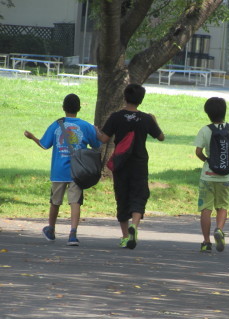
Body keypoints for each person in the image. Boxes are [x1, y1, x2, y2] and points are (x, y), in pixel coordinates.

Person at [24, 93, 101, 246]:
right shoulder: (85, 126)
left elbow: (45, 145)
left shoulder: (56, 125)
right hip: (78, 172)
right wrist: (97, 132)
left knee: (55, 201)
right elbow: (97, 145)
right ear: (79, 108)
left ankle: (51, 229)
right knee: (75, 202)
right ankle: (73, 234)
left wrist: (32, 137)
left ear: (63, 108)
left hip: (59, 171)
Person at [95, 83, 165, 249]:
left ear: (125, 97)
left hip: (121, 163)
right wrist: (155, 121)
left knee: (122, 196)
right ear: (141, 99)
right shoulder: (146, 118)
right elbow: (161, 137)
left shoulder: (116, 116)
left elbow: (104, 139)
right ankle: (135, 224)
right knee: (139, 195)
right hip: (139, 163)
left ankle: (126, 236)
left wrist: (97, 130)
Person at [194, 97, 229, 253]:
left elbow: (198, 152)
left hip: (208, 176)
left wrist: (207, 161)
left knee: (206, 209)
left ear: (207, 113)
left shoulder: (205, 130)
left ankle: (206, 242)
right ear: (224, 112)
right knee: (222, 206)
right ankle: (219, 229)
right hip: (226, 176)